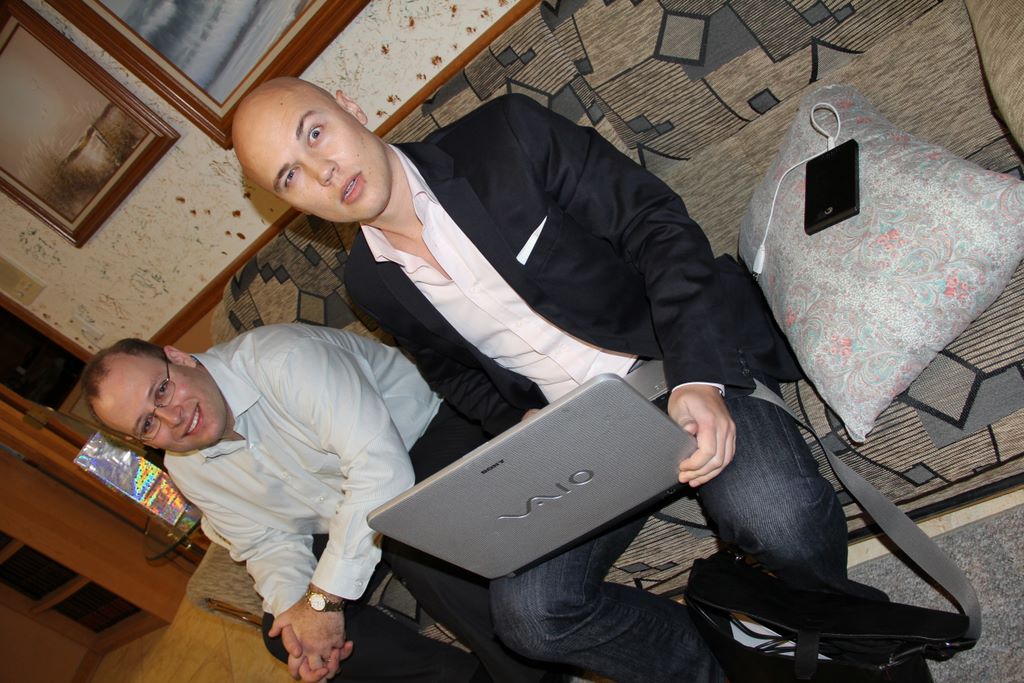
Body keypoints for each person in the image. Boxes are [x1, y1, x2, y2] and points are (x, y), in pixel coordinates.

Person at [232, 78, 885, 683]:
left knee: (777, 513)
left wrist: (697, 377)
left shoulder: (503, 137)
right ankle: (716, 668)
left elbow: (657, 227)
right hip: (583, 431)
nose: (322, 171)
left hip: (670, 356)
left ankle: (841, 636)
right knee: (529, 616)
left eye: (315, 133)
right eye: (290, 175)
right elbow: (454, 374)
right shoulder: (369, 283)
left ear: (350, 106)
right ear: (286, 201)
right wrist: (520, 426)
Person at [81, 324, 555, 683]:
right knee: (282, 633)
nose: (173, 418)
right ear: (140, 441)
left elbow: (379, 471)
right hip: (342, 508)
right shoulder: (186, 468)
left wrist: (324, 599)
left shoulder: (283, 358)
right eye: (148, 424)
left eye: (161, 390)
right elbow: (265, 542)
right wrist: (301, 614)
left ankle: (536, 672)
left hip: (422, 436)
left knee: (411, 541)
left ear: (178, 357)